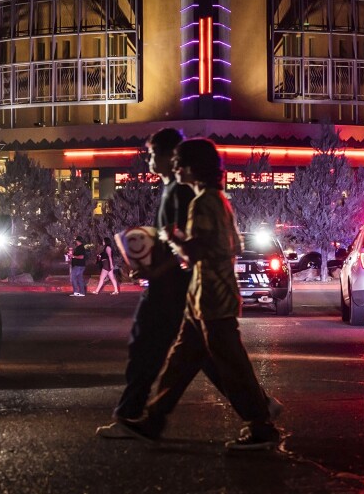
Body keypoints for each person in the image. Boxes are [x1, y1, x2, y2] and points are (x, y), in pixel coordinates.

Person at [114, 136, 283, 451]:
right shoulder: (214, 198)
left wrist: (173, 239)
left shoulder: (203, 201)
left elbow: (200, 250)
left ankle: (261, 426)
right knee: (178, 364)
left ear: (193, 168)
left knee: (232, 365)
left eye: (179, 162)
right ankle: (152, 421)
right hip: (201, 300)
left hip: (213, 300)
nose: (174, 167)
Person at [98, 128, 221, 436]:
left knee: (146, 347)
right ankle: (257, 405)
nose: (150, 160)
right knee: (200, 353)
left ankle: (130, 415)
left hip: (171, 287)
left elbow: (185, 243)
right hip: (173, 286)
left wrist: (155, 269)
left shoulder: (180, 193)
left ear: (170, 157)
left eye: (153, 154)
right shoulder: (171, 189)